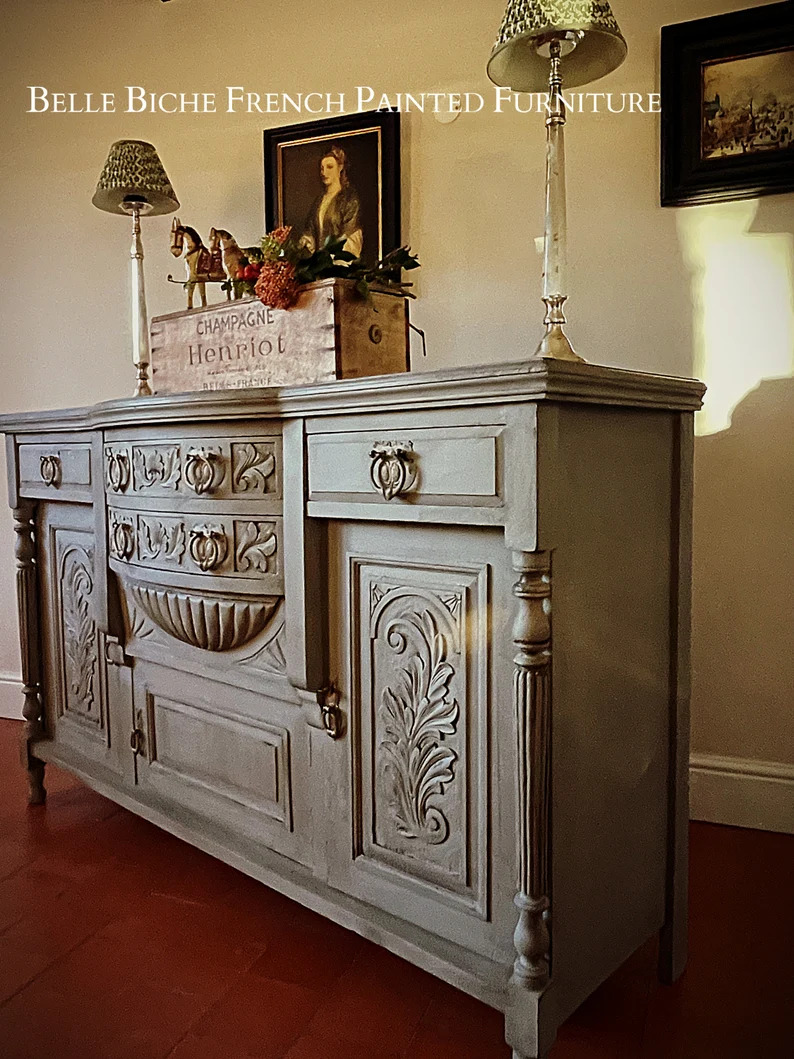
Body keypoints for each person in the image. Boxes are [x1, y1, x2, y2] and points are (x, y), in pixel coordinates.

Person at [299, 144, 363, 258]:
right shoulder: (319, 201)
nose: (324, 173)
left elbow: (352, 235)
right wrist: (307, 243)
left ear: (340, 168)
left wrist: (333, 258)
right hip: (318, 269)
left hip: (340, 267)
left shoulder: (349, 199)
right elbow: (310, 232)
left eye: (329, 167)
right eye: (322, 168)